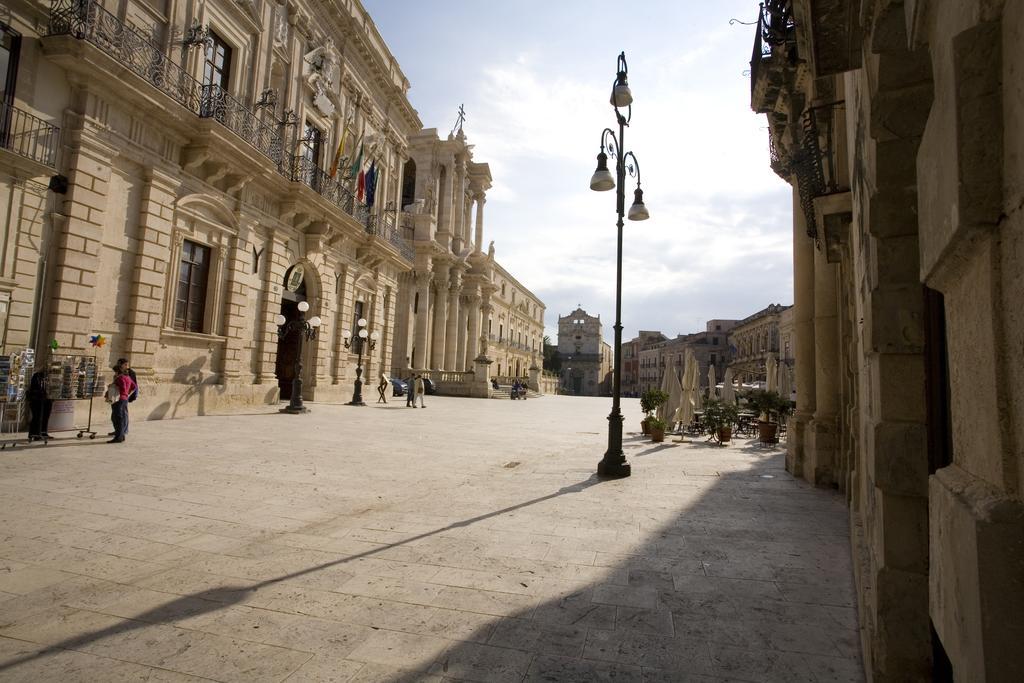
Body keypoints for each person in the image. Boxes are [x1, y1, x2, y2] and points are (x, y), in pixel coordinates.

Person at [107, 362, 136, 443]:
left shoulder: (119, 378)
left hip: (118, 399)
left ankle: (118, 437)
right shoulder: (128, 377)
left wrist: (113, 386)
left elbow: (122, 388)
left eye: (115, 371)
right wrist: (128, 393)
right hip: (125, 399)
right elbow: (134, 386)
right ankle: (121, 435)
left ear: (118, 371)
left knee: (117, 418)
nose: (115, 373)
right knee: (121, 417)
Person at [27, 369, 52, 441]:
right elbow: (35, 388)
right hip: (37, 400)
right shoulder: (37, 376)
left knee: (45, 416)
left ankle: (43, 432)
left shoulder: (48, 377)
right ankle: (34, 433)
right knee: (36, 417)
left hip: (46, 400)